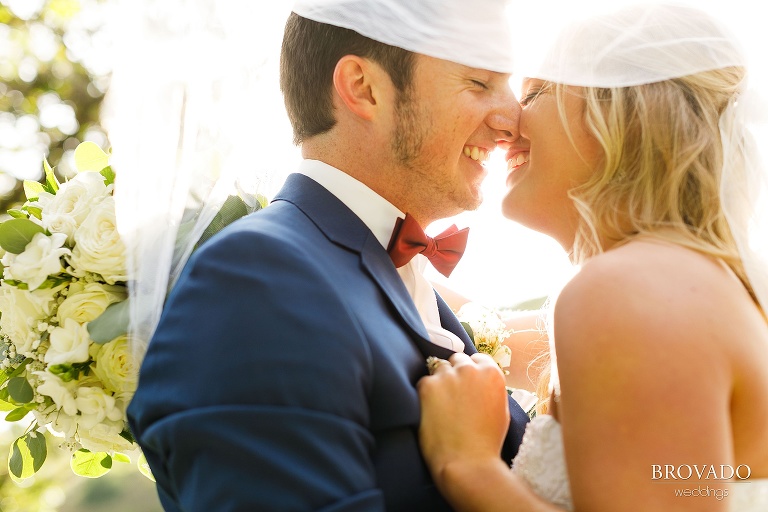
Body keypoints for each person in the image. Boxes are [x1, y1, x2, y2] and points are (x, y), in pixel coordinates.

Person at [126, 0, 532, 510]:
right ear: (363, 88)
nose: (512, 120)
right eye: (479, 81)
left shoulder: (399, 273)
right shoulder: (257, 280)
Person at [417, 3, 768, 511]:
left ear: (624, 116)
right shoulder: (686, 281)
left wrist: (468, 466)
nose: (508, 123)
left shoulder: (630, 289)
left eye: (534, 92)